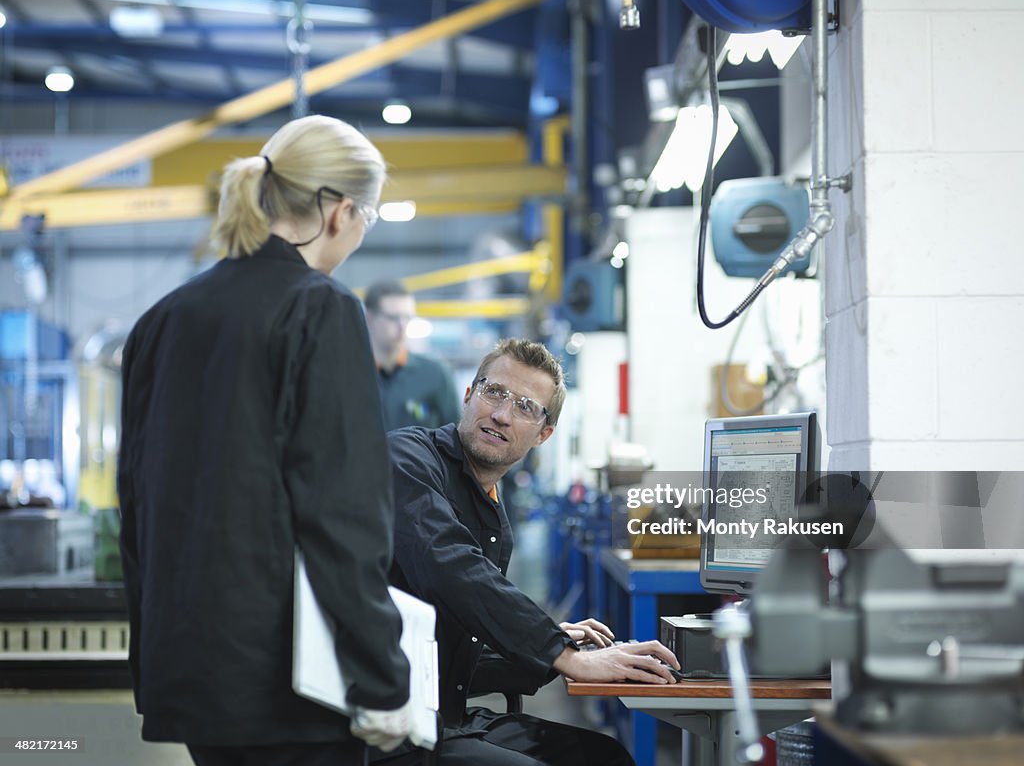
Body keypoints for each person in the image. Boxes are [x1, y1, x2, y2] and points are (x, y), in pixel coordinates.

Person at [118, 115, 412, 766]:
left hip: (194, 677)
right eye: (369, 216)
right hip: (291, 685)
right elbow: (343, 513)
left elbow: (135, 507)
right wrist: (382, 676)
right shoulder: (320, 308)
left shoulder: (160, 321)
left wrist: (154, 667)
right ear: (339, 212)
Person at [372, 338, 681, 766]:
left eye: (525, 406)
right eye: (493, 392)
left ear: (543, 433)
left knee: (604, 756)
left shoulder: (492, 514)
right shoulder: (406, 459)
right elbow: (449, 566)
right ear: (468, 396)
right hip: (390, 723)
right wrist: (559, 652)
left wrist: (550, 652)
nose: (501, 415)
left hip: (446, 712)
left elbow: (456, 652)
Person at [363, 280, 461, 431]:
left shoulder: (435, 375)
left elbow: (455, 434)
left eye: (407, 317)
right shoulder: (350, 376)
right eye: (393, 318)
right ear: (370, 318)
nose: (402, 326)